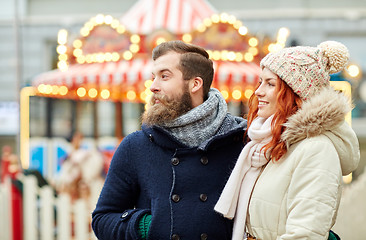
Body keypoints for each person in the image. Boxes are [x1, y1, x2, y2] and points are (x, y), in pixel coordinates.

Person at [92, 40, 247, 240]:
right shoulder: (135, 146)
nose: (153, 87)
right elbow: (102, 219)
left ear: (195, 84)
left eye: (164, 76)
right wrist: (146, 225)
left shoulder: (240, 141)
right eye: (153, 77)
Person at [215, 41, 360, 240]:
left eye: (270, 84)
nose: (258, 91)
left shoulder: (316, 150)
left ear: (296, 93)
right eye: (260, 82)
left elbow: (305, 234)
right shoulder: (268, 144)